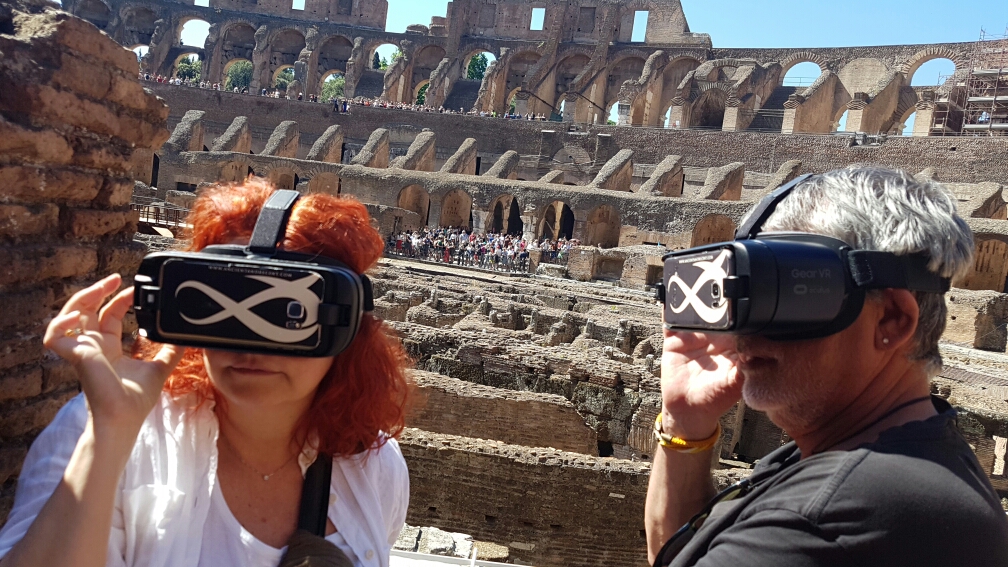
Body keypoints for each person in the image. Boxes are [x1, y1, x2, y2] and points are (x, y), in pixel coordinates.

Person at [0, 178, 412, 567]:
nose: (250, 346)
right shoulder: (93, 430)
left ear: (345, 327)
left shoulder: (374, 469)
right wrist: (108, 434)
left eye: (288, 315)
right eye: (222, 308)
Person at [645, 167, 1008, 566]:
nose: (744, 329)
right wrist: (685, 423)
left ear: (891, 319)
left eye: (781, 289)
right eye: (746, 284)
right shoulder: (918, 454)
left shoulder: (822, 524)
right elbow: (681, 554)